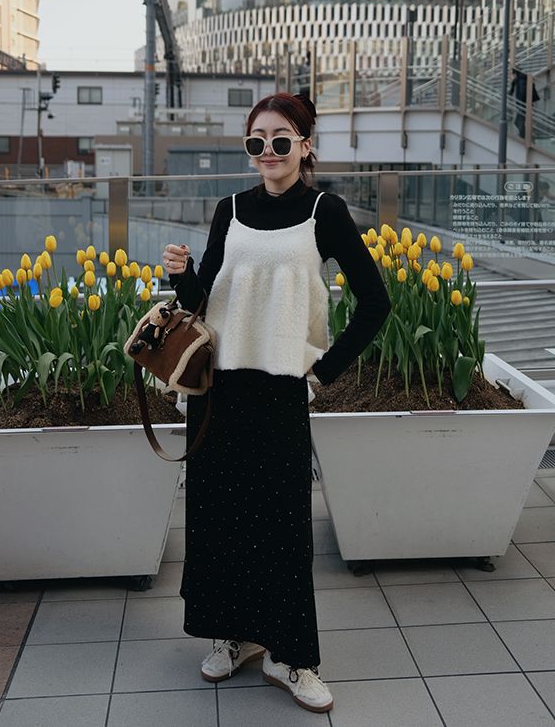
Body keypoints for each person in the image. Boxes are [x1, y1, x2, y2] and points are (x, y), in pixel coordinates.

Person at [162, 92, 391, 714]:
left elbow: (376, 302)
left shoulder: (325, 211)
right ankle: (233, 636)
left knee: (283, 528)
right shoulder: (230, 209)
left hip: (282, 389)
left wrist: (324, 370)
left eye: (281, 140)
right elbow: (204, 298)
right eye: (256, 141)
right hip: (219, 387)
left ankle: (292, 657)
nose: (268, 151)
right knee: (219, 518)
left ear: (305, 146)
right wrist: (181, 275)